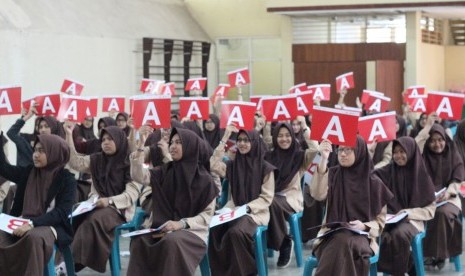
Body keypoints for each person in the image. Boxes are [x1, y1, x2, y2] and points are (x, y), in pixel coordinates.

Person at [127, 127, 218, 275]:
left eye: (179, 143)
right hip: (163, 227)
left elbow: (206, 217)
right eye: (172, 142)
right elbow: (139, 176)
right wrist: (140, 147)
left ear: (190, 147)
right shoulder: (165, 170)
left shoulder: (204, 180)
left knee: (172, 242)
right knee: (140, 241)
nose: (173, 146)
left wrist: (180, 223)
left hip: (191, 231)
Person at [64, 124, 141, 273]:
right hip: (96, 205)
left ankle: (72, 264)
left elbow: (131, 195)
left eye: (110, 139)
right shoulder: (97, 160)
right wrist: (68, 134)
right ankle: (66, 261)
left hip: (119, 209)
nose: (105, 142)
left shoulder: (131, 164)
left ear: (119, 140)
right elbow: (75, 162)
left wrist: (109, 201)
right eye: (103, 139)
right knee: (74, 215)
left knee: (95, 219)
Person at [310, 136, 393, 276]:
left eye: (348, 150)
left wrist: (363, 226)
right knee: (342, 240)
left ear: (359, 152)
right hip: (330, 235)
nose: (343, 154)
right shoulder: (333, 174)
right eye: (340, 149)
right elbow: (318, 194)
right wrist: (323, 159)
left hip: (363, 238)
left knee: (344, 242)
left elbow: (379, 223)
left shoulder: (374, 183)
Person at [0, 133, 76, 275]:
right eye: (35, 150)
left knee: (33, 237)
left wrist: (33, 223)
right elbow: (3, 168)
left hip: (50, 225)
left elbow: (61, 213)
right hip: (21, 222)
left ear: (55, 152)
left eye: (42, 151)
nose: (35, 155)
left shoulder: (67, 179)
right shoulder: (29, 172)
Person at [209, 126, 275, 276]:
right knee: (215, 228)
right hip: (234, 210)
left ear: (254, 142)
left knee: (236, 233)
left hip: (256, 213)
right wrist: (225, 137)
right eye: (239, 140)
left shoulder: (266, 168)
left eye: (246, 140)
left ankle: (247, 272)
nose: (242, 143)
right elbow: (212, 165)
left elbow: (266, 199)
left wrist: (245, 208)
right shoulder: (232, 165)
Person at [374, 137, 436, 275]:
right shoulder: (389, 170)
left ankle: (399, 272)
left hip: (412, 220)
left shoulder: (421, 175)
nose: (398, 156)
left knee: (399, 234)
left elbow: (430, 210)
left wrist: (409, 213)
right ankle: (411, 268)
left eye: (402, 151)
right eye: (395, 152)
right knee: (381, 235)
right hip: (390, 218)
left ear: (411, 152)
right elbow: (370, 176)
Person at [264, 120, 318, 267]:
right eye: (280, 136)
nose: (284, 139)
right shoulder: (269, 156)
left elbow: (314, 149)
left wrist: (305, 127)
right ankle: (280, 241)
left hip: (291, 197)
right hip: (271, 195)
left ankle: (284, 243)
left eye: (288, 135)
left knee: (270, 202)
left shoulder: (300, 156)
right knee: (267, 201)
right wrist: (267, 124)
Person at [416, 114, 465, 269]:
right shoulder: (423, 156)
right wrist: (427, 127)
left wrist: (449, 192)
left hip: (450, 198)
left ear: (446, 139)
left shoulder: (453, 154)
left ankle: (437, 255)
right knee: (429, 213)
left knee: (442, 213)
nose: (437, 144)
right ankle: (431, 255)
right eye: (433, 140)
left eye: (440, 140)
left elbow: (458, 178)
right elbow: (415, 146)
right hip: (426, 200)